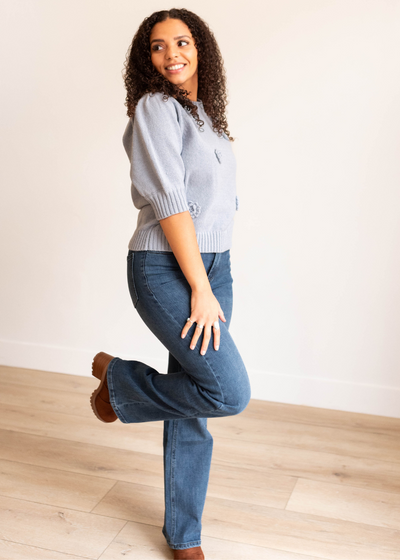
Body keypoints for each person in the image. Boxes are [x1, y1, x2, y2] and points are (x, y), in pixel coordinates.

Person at [90, 8, 251, 560]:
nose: (171, 54)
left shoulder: (204, 114)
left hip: (214, 265)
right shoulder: (155, 108)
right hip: (166, 268)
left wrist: (212, 277)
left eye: (182, 42)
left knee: (198, 400)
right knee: (227, 391)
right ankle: (121, 385)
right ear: (146, 58)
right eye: (158, 46)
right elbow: (172, 206)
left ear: (201, 47)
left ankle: (184, 537)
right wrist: (199, 288)